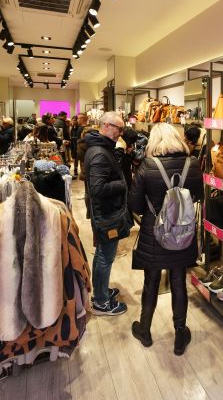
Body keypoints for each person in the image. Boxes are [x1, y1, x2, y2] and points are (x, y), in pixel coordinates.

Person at [128, 123, 203, 355]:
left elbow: (135, 205)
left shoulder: (147, 165)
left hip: (154, 232)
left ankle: (145, 330)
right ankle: (180, 335)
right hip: (183, 231)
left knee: (151, 282)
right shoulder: (193, 163)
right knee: (179, 280)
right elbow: (198, 196)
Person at [83, 111, 130, 316]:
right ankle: (101, 302)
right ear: (106, 126)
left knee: (102, 253)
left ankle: (100, 292)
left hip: (105, 212)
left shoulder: (101, 148)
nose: (121, 133)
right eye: (119, 128)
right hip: (106, 214)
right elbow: (97, 189)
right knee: (105, 256)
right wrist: (122, 183)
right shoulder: (100, 153)